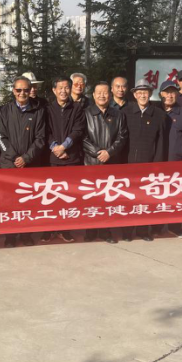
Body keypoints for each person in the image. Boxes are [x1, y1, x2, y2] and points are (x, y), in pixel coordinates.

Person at [0, 76, 46, 248]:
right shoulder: (5, 110)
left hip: (30, 164)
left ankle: (26, 234)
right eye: (18, 90)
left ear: (30, 90)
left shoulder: (38, 111)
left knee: (28, 201)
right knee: (9, 202)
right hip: (9, 164)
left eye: (26, 90)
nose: (22, 93)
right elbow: (1, 136)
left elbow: (41, 138)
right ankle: (10, 235)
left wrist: (26, 158)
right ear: (13, 91)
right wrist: (14, 157)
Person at [81, 81, 127, 243]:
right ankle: (90, 230)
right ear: (93, 95)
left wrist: (110, 152)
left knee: (108, 198)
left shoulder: (118, 114)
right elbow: (82, 137)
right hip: (91, 163)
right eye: (99, 92)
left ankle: (106, 231)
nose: (102, 95)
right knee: (92, 198)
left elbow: (122, 136)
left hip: (111, 163)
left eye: (105, 92)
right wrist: (97, 152)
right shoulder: (85, 113)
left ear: (110, 95)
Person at [43, 76, 85, 243]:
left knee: (68, 196)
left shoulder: (77, 108)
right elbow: (45, 131)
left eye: (66, 87)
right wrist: (56, 148)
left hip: (71, 158)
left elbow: (78, 130)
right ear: (54, 90)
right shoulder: (47, 109)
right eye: (60, 88)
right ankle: (49, 229)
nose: (63, 91)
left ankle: (65, 229)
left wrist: (64, 147)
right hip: (53, 159)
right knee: (51, 197)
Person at [123, 80, 166, 241]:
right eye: (139, 92)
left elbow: (161, 142)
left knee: (144, 198)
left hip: (148, 164)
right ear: (134, 95)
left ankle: (142, 230)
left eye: (145, 92)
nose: (142, 95)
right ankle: (127, 231)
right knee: (128, 198)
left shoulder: (159, 114)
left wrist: (156, 164)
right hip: (128, 164)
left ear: (150, 94)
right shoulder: (125, 112)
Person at [158, 81, 182, 239]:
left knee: (175, 197)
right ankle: (155, 226)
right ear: (160, 94)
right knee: (156, 195)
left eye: (173, 92)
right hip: (157, 164)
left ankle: (174, 226)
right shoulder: (155, 112)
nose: (169, 95)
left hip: (177, 164)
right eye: (166, 92)